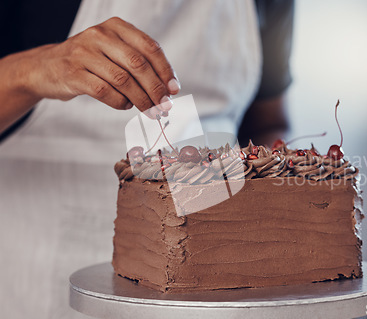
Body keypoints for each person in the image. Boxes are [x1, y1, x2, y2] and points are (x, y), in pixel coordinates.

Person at [0, 0, 293, 318]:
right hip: (37, 268)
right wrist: (36, 68)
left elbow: (269, 122)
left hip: (213, 267)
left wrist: (264, 217)